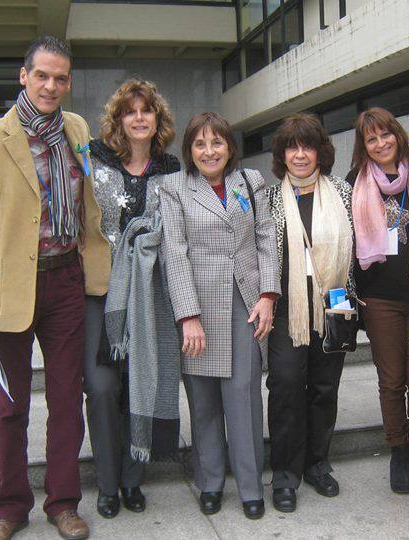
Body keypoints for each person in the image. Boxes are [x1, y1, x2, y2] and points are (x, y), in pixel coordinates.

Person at [0, 36, 102, 540]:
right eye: (42, 75)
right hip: (8, 290)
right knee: (10, 404)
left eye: (61, 78)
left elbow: (91, 202)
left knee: (66, 398)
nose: (51, 85)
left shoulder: (77, 129)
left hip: (65, 281)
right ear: (24, 75)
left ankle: (63, 502)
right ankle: (10, 507)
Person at [160, 112, 279, 520]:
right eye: (200, 144)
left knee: (244, 395)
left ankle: (250, 485)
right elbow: (173, 252)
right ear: (189, 151)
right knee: (203, 398)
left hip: (245, 300)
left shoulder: (250, 182)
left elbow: (266, 238)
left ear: (230, 147)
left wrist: (268, 294)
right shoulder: (174, 187)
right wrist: (187, 316)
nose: (209, 151)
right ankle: (209, 481)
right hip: (197, 304)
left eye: (217, 142)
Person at [83, 79, 182, 519]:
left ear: (157, 119)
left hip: (151, 296)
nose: (139, 118)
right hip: (100, 291)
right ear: (118, 119)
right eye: (130, 111)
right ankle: (106, 483)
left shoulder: (172, 168)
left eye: (147, 111)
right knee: (104, 388)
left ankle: (131, 478)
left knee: (141, 380)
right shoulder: (94, 160)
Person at [265, 113, 355, 513]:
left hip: (333, 303)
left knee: (324, 388)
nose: (300, 154)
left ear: (320, 151)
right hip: (288, 307)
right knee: (285, 386)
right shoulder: (269, 198)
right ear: (282, 154)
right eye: (292, 146)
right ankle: (285, 475)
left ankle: (317, 463)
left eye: (308, 146)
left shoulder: (343, 192)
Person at [346, 107, 409, 495]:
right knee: (392, 379)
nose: (381, 143)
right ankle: (398, 450)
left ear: (398, 135)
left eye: (386, 135)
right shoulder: (355, 183)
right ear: (363, 147)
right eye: (371, 139)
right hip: (378, 297)